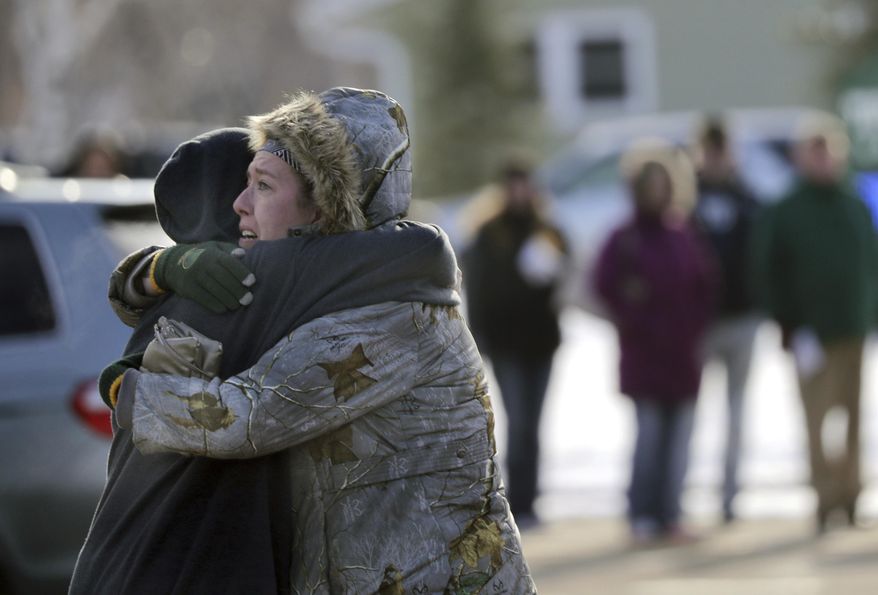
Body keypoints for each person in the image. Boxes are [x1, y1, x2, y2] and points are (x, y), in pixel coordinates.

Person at [79, 88, 534, 593]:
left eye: (264, 186)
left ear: (323, 210)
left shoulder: (389, 312)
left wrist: (130, 393)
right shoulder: (334, 284)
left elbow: (249, 417)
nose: (239, 204)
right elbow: (166, 293)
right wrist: (157, 269)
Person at [752, 114, 878, 534]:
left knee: (854, 420)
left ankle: (852, 494)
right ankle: (824, 499)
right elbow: (769, 270)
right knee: (816, 421)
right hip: (811, 333)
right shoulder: (787, 210)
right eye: (815, 151)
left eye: (829, 150)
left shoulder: (854, 202)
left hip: (853, 327)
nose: (824, 159)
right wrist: (787, 322)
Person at [592, 145, 716, 545]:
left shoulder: (683, 234)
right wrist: (634, 315)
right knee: (649, 438)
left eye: (664, 184)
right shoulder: (623, 237)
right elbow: (602, 286)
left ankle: (671, 513)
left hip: (683, 355)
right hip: (645, 354)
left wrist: (695, 327)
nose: (657, 192)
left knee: (679, 441)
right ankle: (642, 514)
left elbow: (705, 287)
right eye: (650, 185)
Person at [462, 157, 568, 527]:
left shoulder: (547, 230)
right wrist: (480, 340)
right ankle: (515, 501)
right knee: (518, 421)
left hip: (541, 341)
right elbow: (477, 290)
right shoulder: (488, 234)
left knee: (535, 424)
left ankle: (530, 501)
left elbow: (564, 273)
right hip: (506, 343)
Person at [690, 116, 762, 523]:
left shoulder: (746, 196)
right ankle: (680, 495)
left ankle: (729, 495)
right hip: (699, 321)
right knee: (690, 410)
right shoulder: (686, 197)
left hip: (741, 317)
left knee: (736, 411)